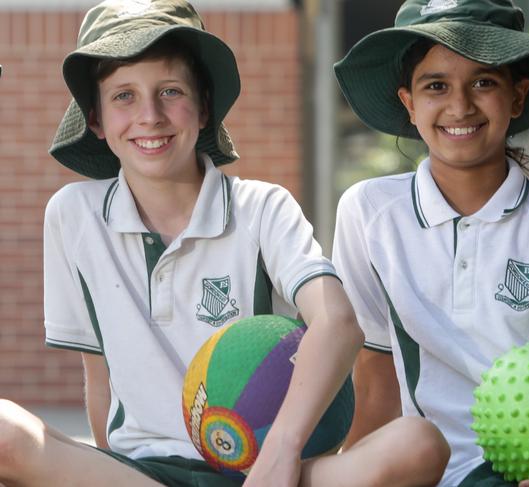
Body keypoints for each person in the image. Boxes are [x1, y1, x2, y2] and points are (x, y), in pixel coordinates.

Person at [0, 1, 449, 486]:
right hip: (142, 476)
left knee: (418, 443)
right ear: (96, 119)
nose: (149, 116)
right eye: (124, 96)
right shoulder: (73, 214)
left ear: (204, 105)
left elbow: (339, 324)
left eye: (170, 91)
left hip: (262, 471)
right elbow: (100, 377)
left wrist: (281, 449)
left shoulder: (262, 207)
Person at [332, 0, 529, 486]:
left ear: (517, 96)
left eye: (483, 82)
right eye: (435, 85)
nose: (460, 106)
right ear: (408, 102)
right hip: (422, 467)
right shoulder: (368, 213)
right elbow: (374, 381)